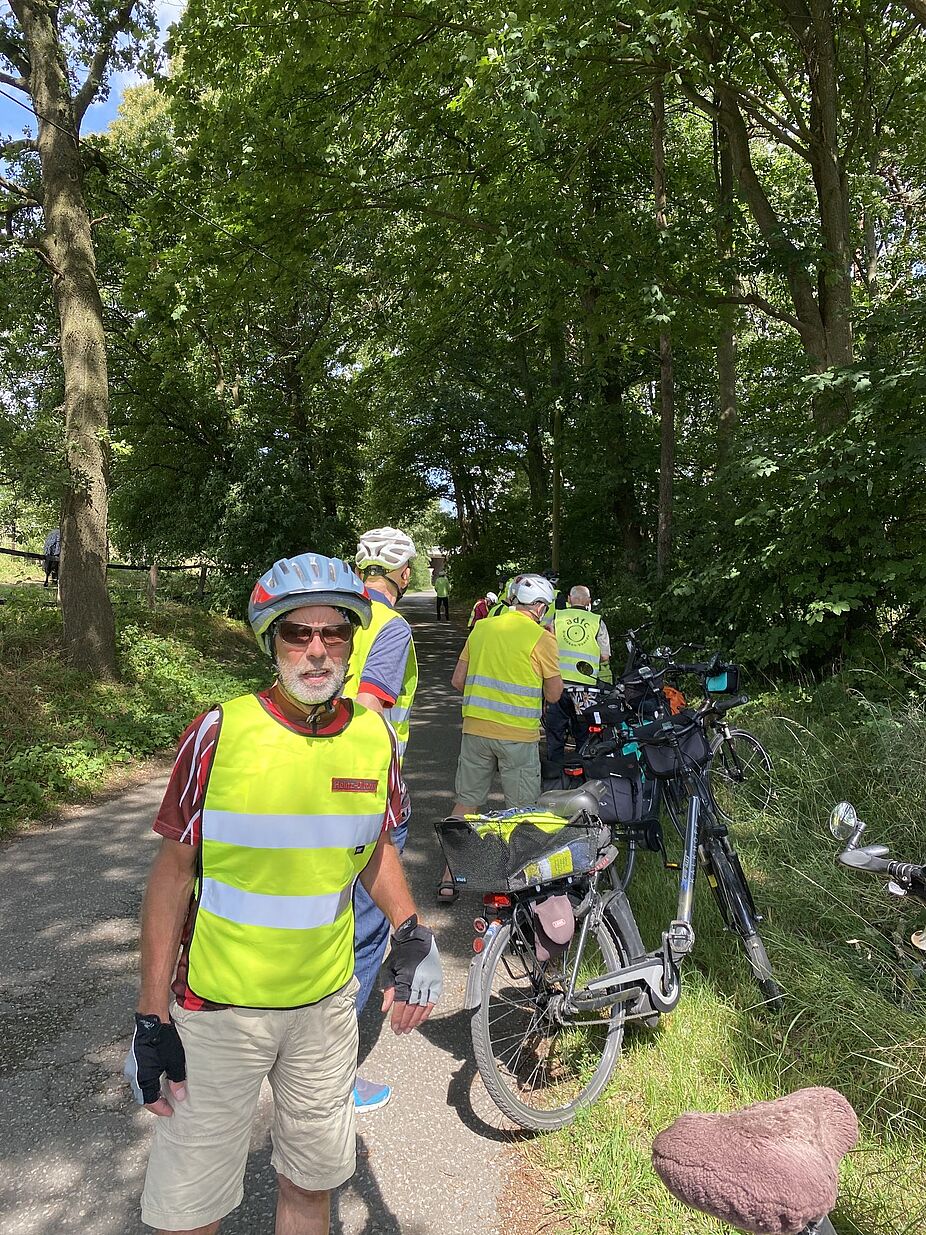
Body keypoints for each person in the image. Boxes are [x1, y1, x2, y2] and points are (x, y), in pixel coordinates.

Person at [126, 551, 442, 1235]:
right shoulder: (221, 731)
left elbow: (375, 847)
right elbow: (172, 874)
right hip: (217, 1012)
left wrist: (411, 930)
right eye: (298, 632)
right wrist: (151, 1013)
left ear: (351, 643)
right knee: (190, 1211)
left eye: (334, 632)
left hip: (324, 1011)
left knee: (310, 1185)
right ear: (272, 641)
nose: (317, 649)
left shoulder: (373, 736)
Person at [342, 526, 419, 1112]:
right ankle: (332, 1074)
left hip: (312, 785)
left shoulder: (334, 614)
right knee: (366, 932)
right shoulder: (390, 626)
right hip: (365, 791)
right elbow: (369, 708)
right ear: (405, 574)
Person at [437, 573, 563, 902]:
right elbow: (554, 694)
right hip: (518, 736)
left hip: (476, 731)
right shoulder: (541, 638)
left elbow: (458, 681)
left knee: (466, 803)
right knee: (520, 811)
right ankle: (515, 883)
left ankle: (449, 877)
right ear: (539, 607)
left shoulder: (481, 628)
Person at [545, 585, 611, 761]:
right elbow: (604, 656)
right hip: (585, 688)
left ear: (569, 599)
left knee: (555, 730)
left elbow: (545, 646)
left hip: (558, 684)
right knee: (584, 732)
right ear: (589, 601)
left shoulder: (557, 617)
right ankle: (584, 766)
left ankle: (555, 768)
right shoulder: (597, 621)